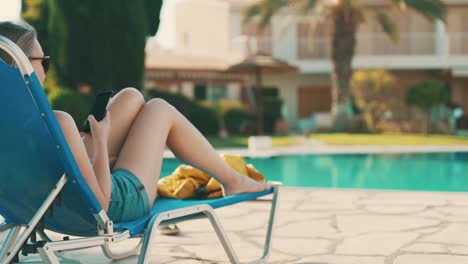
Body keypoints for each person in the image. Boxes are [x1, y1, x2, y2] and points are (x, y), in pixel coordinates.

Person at [0, 21, 270, 223]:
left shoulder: (11, 125)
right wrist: (102, 142)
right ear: (19, 64)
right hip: (119, 201)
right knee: (158, 109)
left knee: (131, 97)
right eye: (42, 62)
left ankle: (228, 176)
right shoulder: (58, 121)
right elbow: (101, 205)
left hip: (50, 205)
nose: (46, 68)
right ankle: (232, 180)